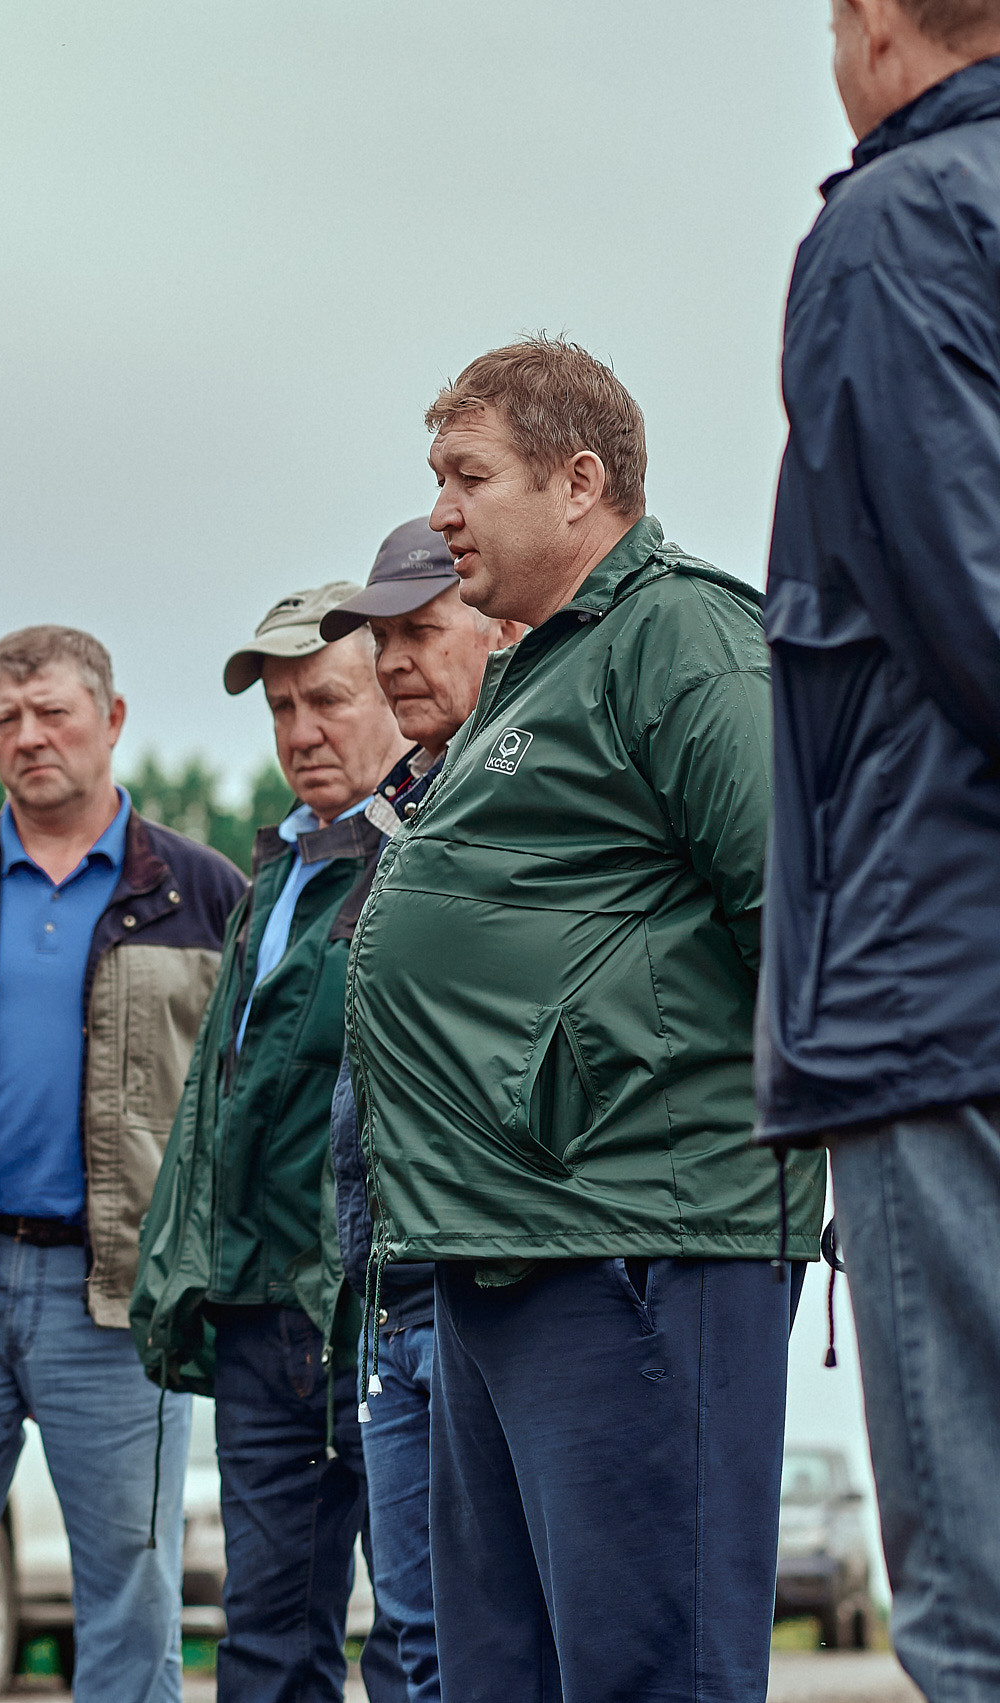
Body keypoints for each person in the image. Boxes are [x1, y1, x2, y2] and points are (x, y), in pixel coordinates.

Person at [344, 338, 826, 1702]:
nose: (441, 509)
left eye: (467, 474)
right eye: (435, 475)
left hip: (639, 1243)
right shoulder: (540, 669)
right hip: (500, 1249)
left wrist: (598, 1096)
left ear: (578, 481)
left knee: (645, 1671)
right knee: (508, 1676)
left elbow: (797, 909)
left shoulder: (681, 634)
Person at [0, 627, 244, 1703]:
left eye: (53, 713)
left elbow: (244, 1103)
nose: (29, 738)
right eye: (5, 719)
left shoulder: (205, 895)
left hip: (121, 1301)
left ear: (110, 721)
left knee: (131, 1597)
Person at [767, 5, 1000, 1690]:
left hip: (949, 973)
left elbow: (966, 591)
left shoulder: (896, 226)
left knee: (984, 1588)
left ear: (869, 26)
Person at [131, 588, 409, 1703]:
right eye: (281, 708)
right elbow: (218, 1108)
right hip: (255, 1310)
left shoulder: (431, 847)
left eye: (326, 699)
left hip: (376, 1304)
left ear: (391, 683)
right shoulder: (273, 876)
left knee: (416, 1625)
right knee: (262, 1639)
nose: (301, 731)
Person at [313, 524, 528, 1703]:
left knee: (509, 1640)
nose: (393, 660)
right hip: (392, 1287)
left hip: (498, 1284)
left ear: (500, 630)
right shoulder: (399, 814)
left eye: (418, 631)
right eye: (379, 637)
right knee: (413, 1643)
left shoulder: (536, 791)